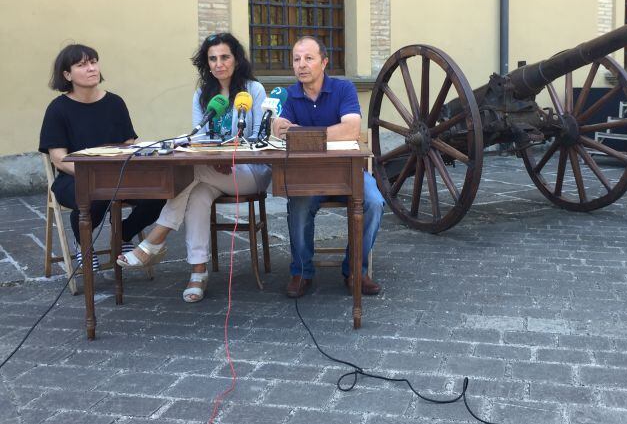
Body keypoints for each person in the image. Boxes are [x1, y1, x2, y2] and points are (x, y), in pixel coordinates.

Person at [117, 33, 271, 303]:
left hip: (250, 170)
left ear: (236, 59)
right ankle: (197, 273)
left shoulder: (252, 90)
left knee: (192, 173)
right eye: (212, 59)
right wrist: (210, 155)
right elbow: (199, 138)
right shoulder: (203, 94)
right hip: (212, 171)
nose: (219, 63)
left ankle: (155, 240)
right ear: (206, 63)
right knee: (198, 194)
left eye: (225, 57)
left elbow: (258, 137)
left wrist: (226, 153)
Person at [272, 36, 384, 298]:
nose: (301, 65)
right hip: (309, 176)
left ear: (324, 62)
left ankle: (355, 270)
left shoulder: (344, 89)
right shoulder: (287, 94)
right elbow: (280, 131)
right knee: (297, 204)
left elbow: (352, 129)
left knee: (374, 202)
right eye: (296, 59)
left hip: (349, 171)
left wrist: (305, 133)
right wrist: (330, 133)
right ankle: (301, 272)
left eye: (308, 58)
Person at [38, 44, 164, 270]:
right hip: (74, 177)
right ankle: (83, 244)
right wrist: (95, 175)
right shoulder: (58, 109)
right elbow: (59, 159)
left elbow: (128, 144)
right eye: (82, 64)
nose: (91, 68)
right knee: (95, 195)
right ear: (67, 75)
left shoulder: (115, 103)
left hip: (118, 173)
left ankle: (124, 234)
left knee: (160, 193)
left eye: (93, 62)